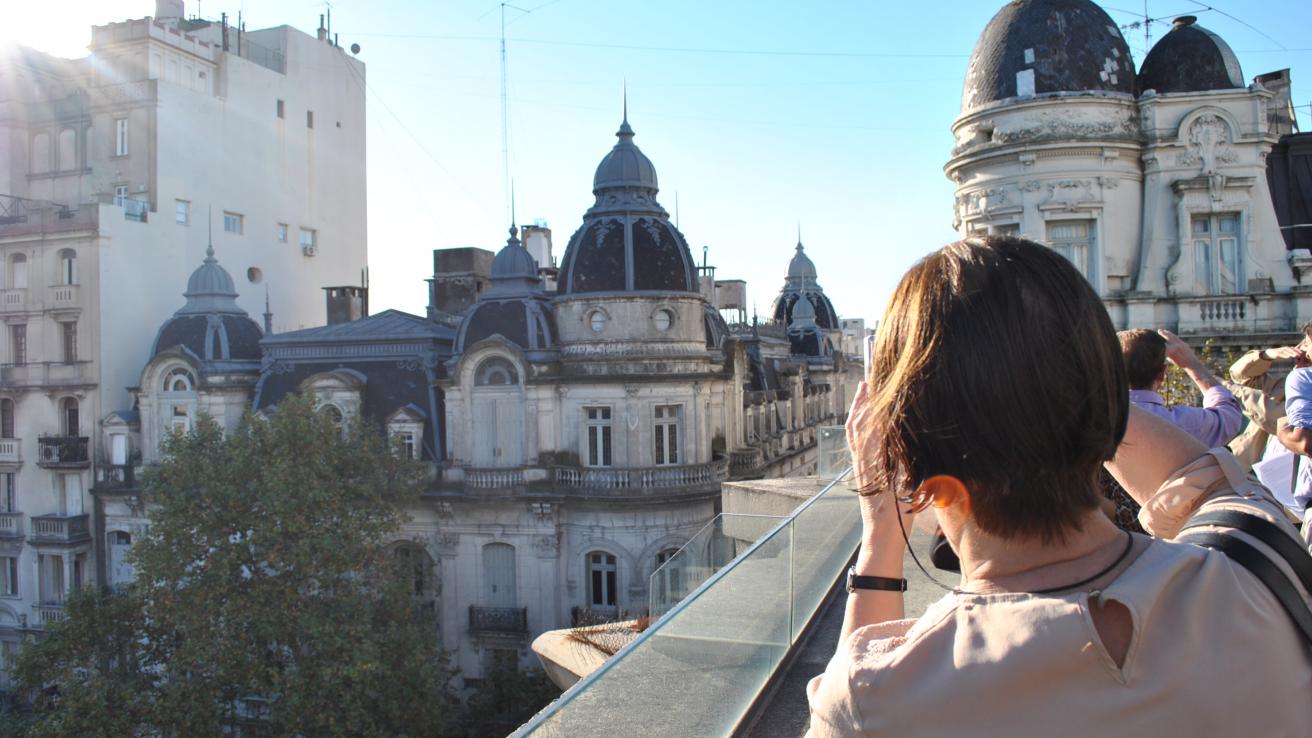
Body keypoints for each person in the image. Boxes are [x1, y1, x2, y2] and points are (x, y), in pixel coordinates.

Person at [807, 236, 1311, 737]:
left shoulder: (875, 700)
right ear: (1108, 398)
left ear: (906, 456)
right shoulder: (1255, 561)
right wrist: (1054, 374)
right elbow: (1193, 475)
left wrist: (880, 530)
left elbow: (855, 679)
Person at [1119, 327, 1243, 448]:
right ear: (1162, 373)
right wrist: (1193, 365)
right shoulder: (1184, 423)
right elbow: (1228, 418)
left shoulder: (1105, 421)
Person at [1226, 340, 1306, 468]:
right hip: (1254, 474)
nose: (1300, 348)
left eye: (1307, 343)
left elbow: (1272, 415)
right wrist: (1265, 356)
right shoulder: (1283, 388)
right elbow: (1239, 374)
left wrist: (1228, 388)